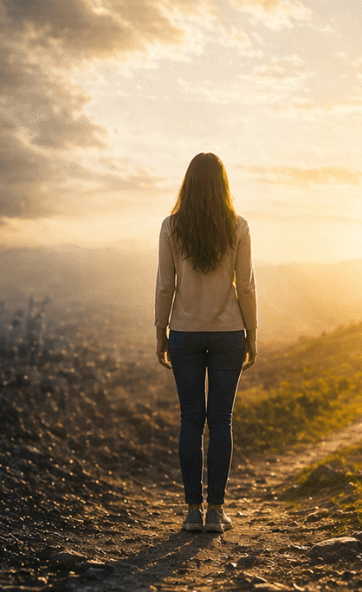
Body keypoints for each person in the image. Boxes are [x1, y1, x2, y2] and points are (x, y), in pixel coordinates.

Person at [155, 152, 257, 534]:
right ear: (223, 185)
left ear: (188, 183)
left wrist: (159, 331)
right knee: (221, 420)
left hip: (183, 332)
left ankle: (191, 512)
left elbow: (166, 284)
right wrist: (253, 333)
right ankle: (216, 512)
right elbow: (245, 285)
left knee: (190, 420)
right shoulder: (238, 226)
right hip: (229, 332)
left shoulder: (171, 226)